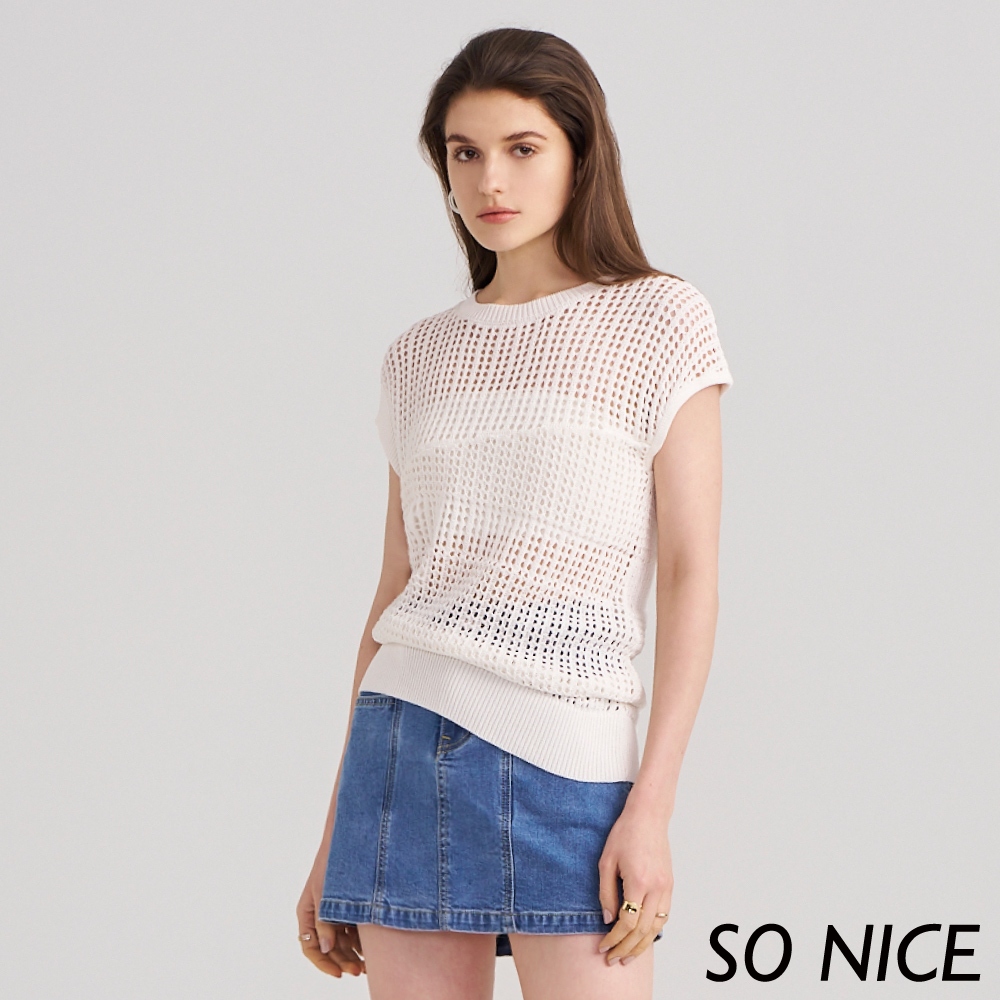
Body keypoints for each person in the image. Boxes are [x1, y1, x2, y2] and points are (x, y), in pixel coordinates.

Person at [296, 26, 733, 1000]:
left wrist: (651, 807)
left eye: (522, 148)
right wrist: (336, 835)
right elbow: (396, 590)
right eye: (465, 153)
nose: (490, 179)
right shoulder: (418, 355)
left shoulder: (659, 319)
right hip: (398, 753)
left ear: (580, 154)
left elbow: (689, 572)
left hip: (566, 764)